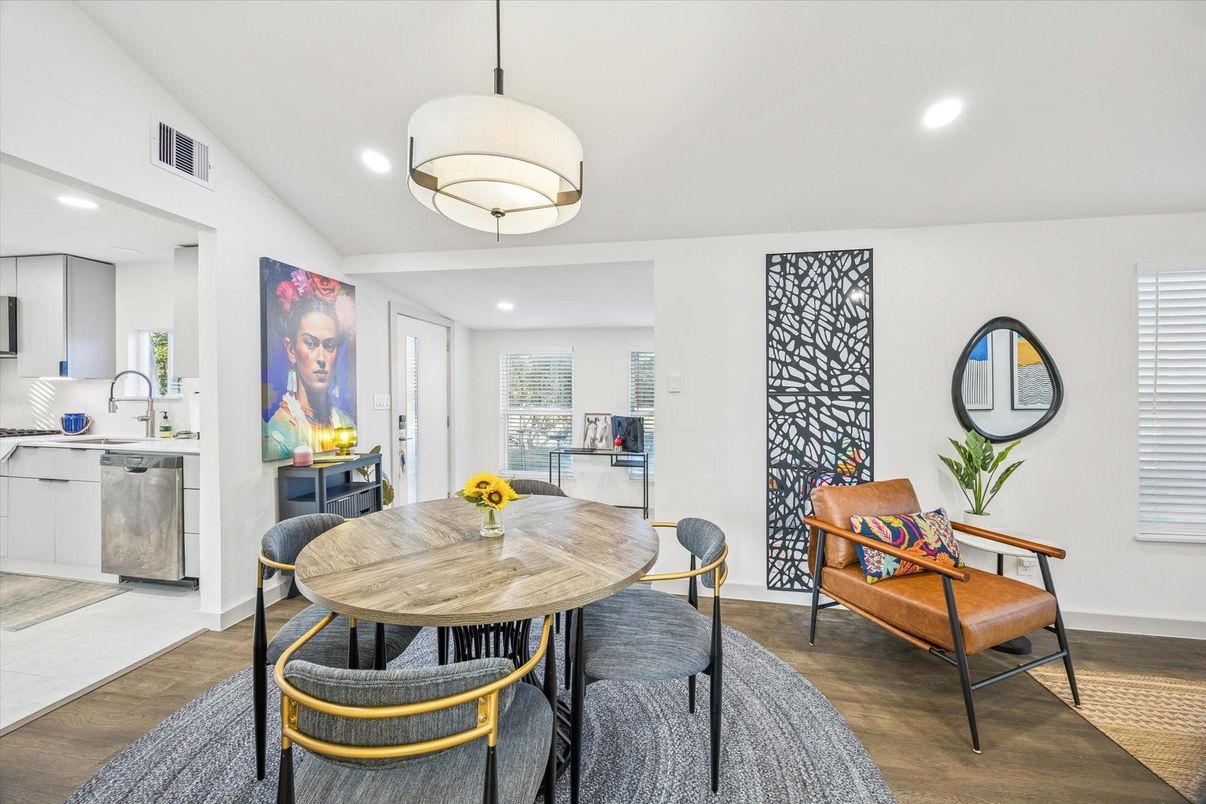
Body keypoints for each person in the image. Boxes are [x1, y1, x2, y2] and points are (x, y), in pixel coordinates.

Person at [264, 296, 355, 459]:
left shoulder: (344, 423)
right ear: (291, 349)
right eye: (311, 343)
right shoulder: (278, 433)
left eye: (329, 346)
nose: (321, 358)